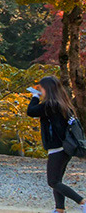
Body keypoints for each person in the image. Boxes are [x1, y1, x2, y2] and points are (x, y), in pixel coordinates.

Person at [27, 76, 86, 212]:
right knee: (57, 181)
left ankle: (82, 201)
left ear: (47, 89)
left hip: (57, 148)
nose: (41, 91)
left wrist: (35, 97)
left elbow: (31, 111)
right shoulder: (63, 104)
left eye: (41, 88)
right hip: (66, 148)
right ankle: (59, 209)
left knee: (53, 181)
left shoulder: (50, 105)